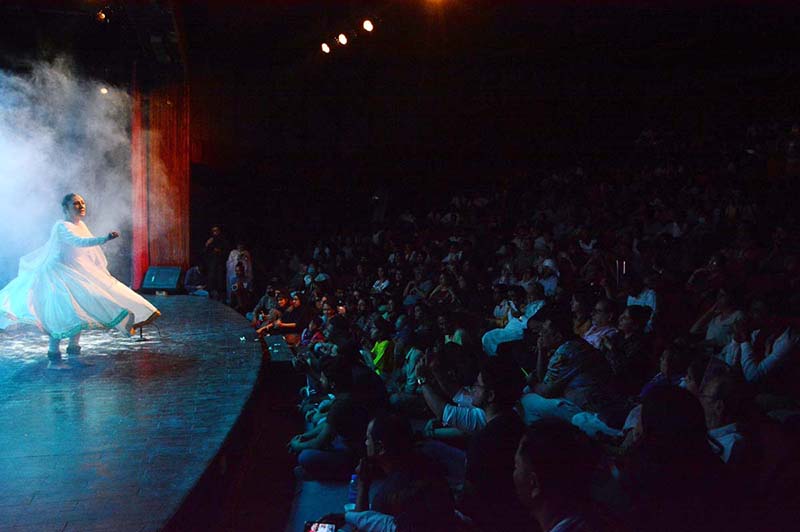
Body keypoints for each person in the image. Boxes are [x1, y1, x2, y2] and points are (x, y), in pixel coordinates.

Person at [0, 193, 160, 369]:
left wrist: (97, 269)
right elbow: (79, 242)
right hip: (57, 274)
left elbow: (88, 251)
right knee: (61, 314)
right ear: (66, 208)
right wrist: (104, 239)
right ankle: (54, 359)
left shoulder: (81, 224)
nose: (81, 206)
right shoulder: (61, 226)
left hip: (75, 271)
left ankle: (74, 355)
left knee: (79, 312)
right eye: (76, 203)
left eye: (82, 202)